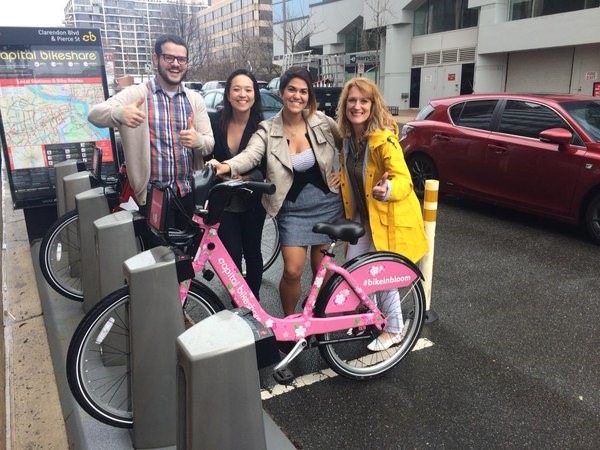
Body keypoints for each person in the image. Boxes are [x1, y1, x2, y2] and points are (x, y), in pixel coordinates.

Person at [208, 66, 343, 316]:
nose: (297, 96)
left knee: (322, 270)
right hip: (291, 208)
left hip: (326, 203)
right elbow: (250, 155)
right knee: (293, 270)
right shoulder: (267, 129)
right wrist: (225, 166)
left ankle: (313, 316)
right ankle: (290, 321)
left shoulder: (323, 122)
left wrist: (343, 174)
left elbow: (350, 143)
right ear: (282, 92)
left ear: (309, 96)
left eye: (304, 91)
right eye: (292, 89)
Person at [336, 77, 429, 352]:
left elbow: (404, 179)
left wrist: (388, 189)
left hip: (386, 220)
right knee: (354, 270)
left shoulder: (384, 140)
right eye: (352, 100)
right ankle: (371, 317)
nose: (357, 106)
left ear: (373, 105)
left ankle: (395, 330)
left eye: (364, 101)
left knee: (380, 276)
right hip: (363, 219)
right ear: (345, 105)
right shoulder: (348, 141)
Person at [88, 34, 214, 226]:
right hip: (151, 197)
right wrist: (120, 114)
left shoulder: (195, 100)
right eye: (168, 57)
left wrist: (197, 141)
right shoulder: (137, 94)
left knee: (188, 254)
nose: (175, 64)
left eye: (181, 59)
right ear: (156, 58)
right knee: (155, 255)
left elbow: (209, 143)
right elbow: (94, 115)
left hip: (187, 194)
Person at [207, 68, 266, 300]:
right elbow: (204, 155)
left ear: (255, 94)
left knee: (252, 251)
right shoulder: (214, 122)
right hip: (223, 200)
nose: (243, 94)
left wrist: (247, 178)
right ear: (228, 95)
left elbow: (268, 166)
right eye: (237, 89)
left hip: (252, 199)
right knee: (231, 254)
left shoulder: (263, 126)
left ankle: (253, 303)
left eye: (248, 89)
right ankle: (238, 299)